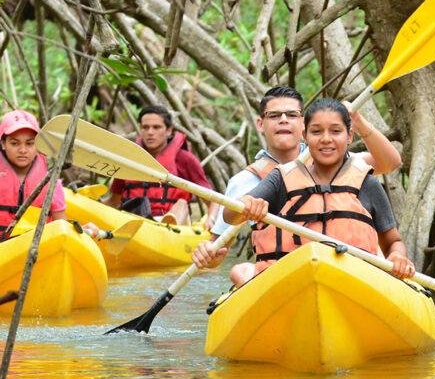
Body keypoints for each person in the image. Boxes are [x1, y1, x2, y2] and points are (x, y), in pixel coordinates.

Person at [193, 97, 414, 288]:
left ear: (349, 136)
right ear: (305, 137)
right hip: (291, 282)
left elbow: (393, 241)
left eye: (335, 131)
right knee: (241, 271)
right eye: (317, 132)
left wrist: (397, 256)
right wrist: (246, 206)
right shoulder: (280, 178)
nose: (326, 138)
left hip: (354, 280)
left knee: (241, 270)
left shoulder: (366, 181)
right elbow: (230, 215)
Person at [106, 105, 219, 229]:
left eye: (156, 127)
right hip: (133, 222)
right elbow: (114, 200)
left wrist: (211, 219)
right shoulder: (129, 160)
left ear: (169, 130)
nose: (150, 132)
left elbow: (212, 200)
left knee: (181, 204)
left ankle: (170, 229)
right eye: (145, 127)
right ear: (140, 130)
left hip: (170, 224)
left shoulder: (184, 159)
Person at [0, 108, 99, 240]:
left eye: (29, 143)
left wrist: (83, 230)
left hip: (36, 253)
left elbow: (62, 229)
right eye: (14, 143)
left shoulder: (51, 184)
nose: (23, 150)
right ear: (3, 144)